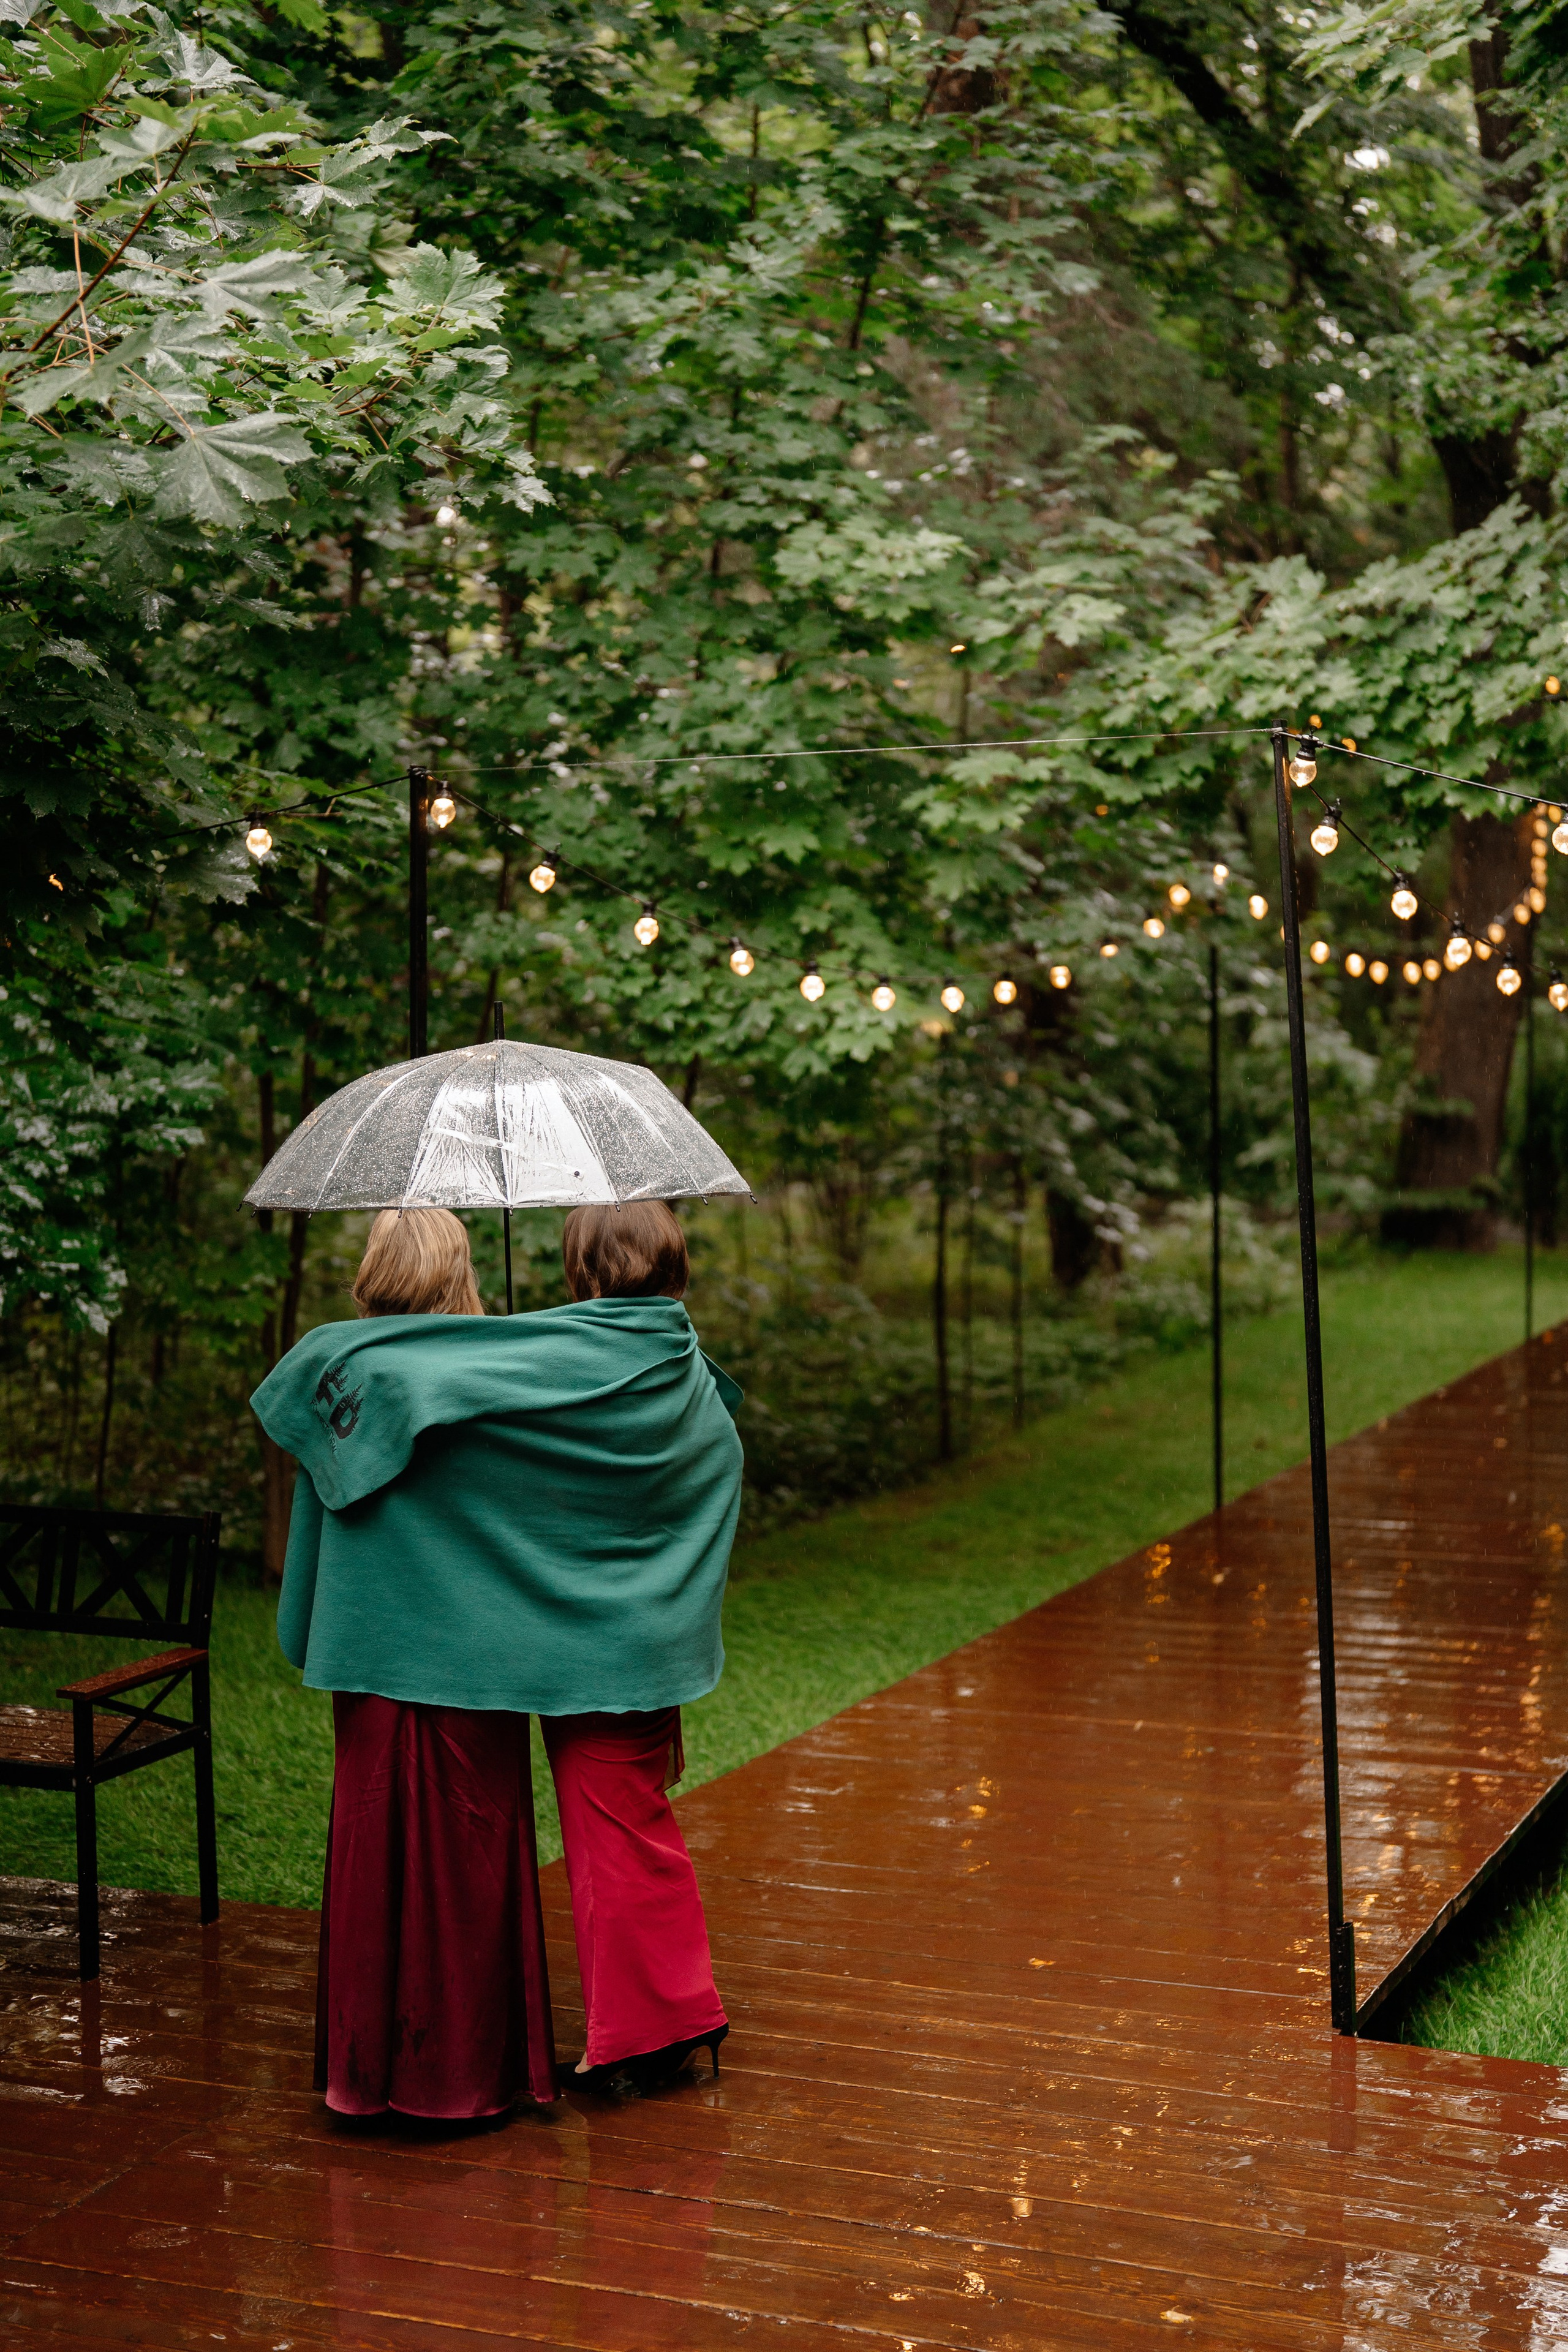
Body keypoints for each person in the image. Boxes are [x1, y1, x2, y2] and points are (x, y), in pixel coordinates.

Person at [251, 1199, 743, 2122]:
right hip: (644, 1633)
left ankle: (649, 2035)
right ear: (672, 1266)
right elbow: (701, 1479)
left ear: (584, 1270)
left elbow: (448, 1413)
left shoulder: (532, 1359)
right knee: (627, 1825)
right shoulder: (688, 1373)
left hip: (561, 1636)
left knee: (605, 1831)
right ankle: (673, 2018)